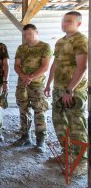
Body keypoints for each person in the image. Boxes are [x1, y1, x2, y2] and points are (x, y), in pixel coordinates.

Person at [44, 11, 88, 176]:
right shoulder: (61, 42)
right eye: (64, 21)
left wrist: (70, 89)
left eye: (69, 21)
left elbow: (82, 67)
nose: (65, 24)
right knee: (59, 123)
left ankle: (82, 161)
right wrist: (49, 84)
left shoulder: (81, 40)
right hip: (58, 89)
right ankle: (67, 153)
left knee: (76, 126)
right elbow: (55, 63)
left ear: (78, 24)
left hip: (74, 91)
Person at [13, 24, 51, 153]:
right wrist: (24, 77)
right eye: (25, 34)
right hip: (23, 85)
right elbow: (17, 65)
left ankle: (40, 141)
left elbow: (45, 66)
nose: (27, 37)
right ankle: (25, 137)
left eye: (30, 33)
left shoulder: (45, 47)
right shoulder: (21, 48)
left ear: (37, 32)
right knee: (23, 111)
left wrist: (31, 77)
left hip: (37, 86)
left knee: (39, 112)